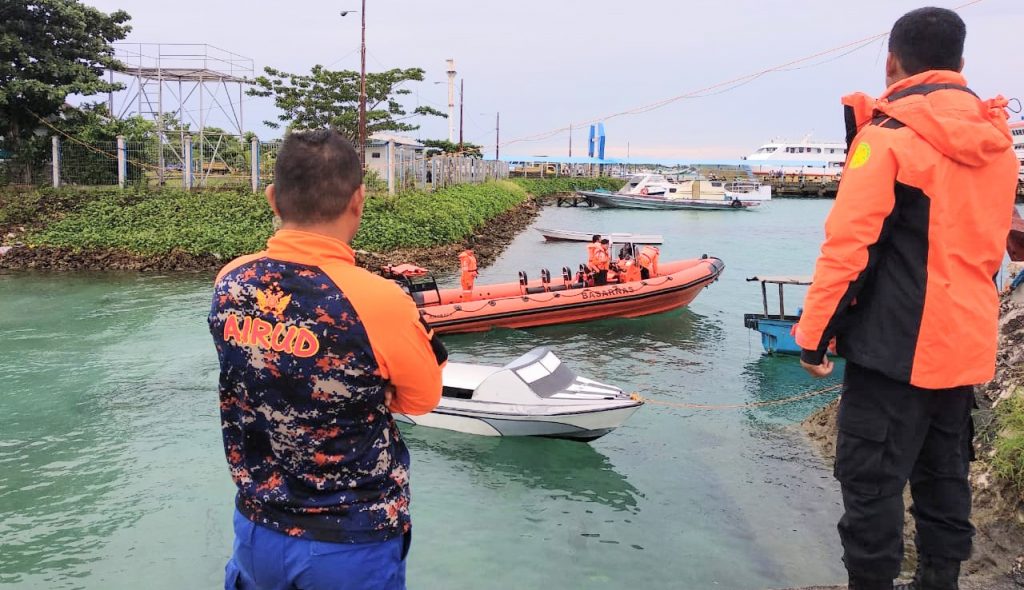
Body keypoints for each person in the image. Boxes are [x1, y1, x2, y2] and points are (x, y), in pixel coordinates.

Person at [794, 8, 1018, 590]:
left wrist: (813, 337)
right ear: (960, 64)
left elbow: (848, 248)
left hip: (894, 350)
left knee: (870, 485)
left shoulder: (888, 139)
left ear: (892, 62)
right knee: (945, 480)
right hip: (964, 349)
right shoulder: (999, 145)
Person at [208, 130, 447, 590]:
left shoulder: (231, 281)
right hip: (351, 541)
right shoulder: (380, 301)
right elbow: (423, 399)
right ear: (358, 200)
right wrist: (369, 391)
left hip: (257, 528)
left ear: (272, 197)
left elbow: (255, 372)